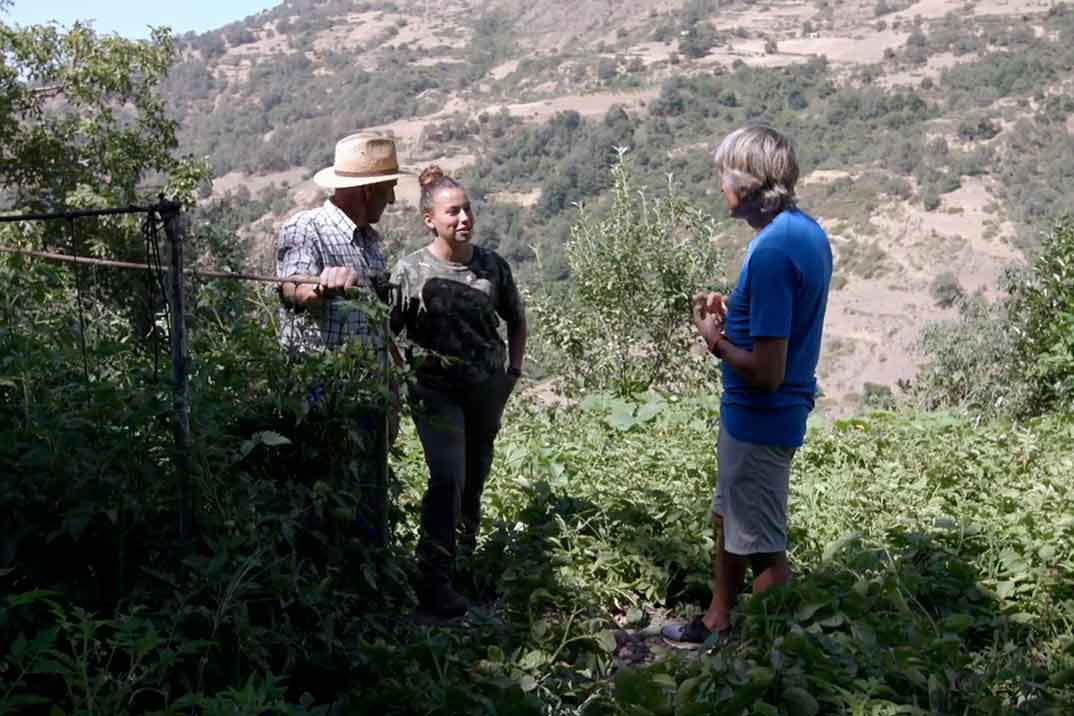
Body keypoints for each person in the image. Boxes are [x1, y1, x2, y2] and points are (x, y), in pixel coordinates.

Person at [662, 125, 832, 646]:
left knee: (763, 545)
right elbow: (780, 323)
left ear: (749, 183)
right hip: (759, 417)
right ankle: (718, 617)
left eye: (723, 176)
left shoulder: (773, 251)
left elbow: (767, 368)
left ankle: (767, 657)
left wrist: (713, 338)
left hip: (761, 417)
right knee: (731, 521)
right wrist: (735, 313)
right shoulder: (804, 233)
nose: (718, 187)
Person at [390, 166, 527, 618]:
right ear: (430, 219)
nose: (464, 217)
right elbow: (389, 331)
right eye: (453, 211)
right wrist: (404, 374)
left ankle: (464, 555)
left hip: (486, 389)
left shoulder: (492, 266)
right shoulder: (410, 270)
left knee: (474, 477)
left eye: (467, 208)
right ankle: (433, 580)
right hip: (435, 393)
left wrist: (512, 372)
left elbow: (516, 318)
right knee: (447, 478)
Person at [276, 132, 409, 352]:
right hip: (323, 382)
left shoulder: (370, 242)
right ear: (367, 191)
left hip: (369, 381)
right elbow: (293, 287)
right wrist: (321, 287)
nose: (392, 199)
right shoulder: (306, 227)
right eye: (389, 189)